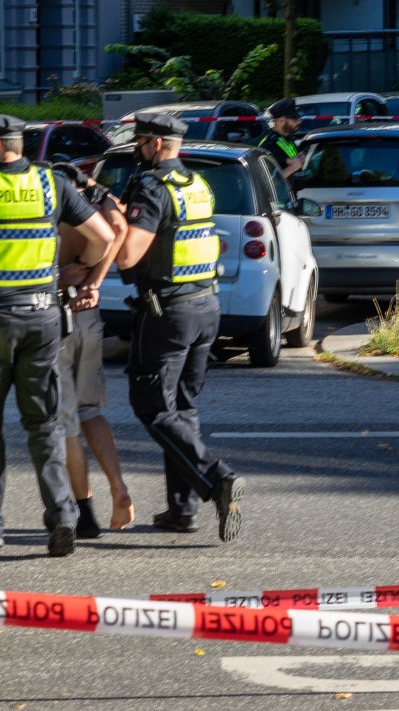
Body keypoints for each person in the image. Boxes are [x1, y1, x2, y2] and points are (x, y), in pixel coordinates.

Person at [0, 113, 114, 557]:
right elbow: (105, 237)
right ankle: (63, 516)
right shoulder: (54, 185)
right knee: (44, 424)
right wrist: (76, 274)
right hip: (44, 318)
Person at [114, 111, 244, 543]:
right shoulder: (196, 184)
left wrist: (116, 227)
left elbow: (129, 256)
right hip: (206, 306)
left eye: (139, 141)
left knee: (151, 406)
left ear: (153, 144)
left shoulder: (151, 188)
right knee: (183, 409)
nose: (137, 149)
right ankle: (182, 510)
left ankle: (216, 476)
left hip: (168, 313)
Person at [51, 162, 135, 537]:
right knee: (90, 411)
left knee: (66, 422)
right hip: (89, 312)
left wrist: (70, 272)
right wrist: (96, 278)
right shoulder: (95, 208)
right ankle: (119, 487)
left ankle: (85, 513)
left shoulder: (53, 210)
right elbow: (119, 227)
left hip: (57, 317)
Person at [256, 98, 304, 179]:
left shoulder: (287, 139)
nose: (299, 121)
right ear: (281, 121)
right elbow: (267, 181)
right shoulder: (269, 145)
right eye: (294, 119)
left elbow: (296, 161)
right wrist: (293, 167)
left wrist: (301, 158)